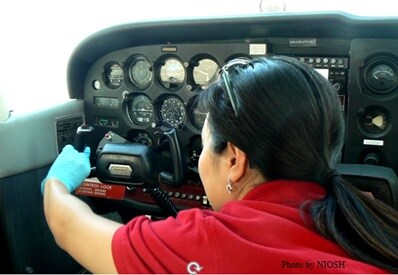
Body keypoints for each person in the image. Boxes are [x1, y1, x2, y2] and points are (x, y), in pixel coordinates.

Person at [42, 56, 398, 274]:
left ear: (234, 160)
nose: (200, 161)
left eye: (205, 147)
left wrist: (58, 182)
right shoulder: (371, 221)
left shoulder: (208, 243)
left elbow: (66, 225)